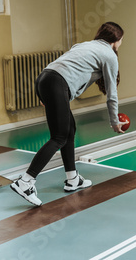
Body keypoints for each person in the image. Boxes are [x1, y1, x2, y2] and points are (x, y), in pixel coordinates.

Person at [10, 22, 128, 206]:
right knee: (58, 137)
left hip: (43, 79)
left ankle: (73, 179)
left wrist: (45, 94)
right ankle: (25, 182)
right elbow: (112, 94)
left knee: (69, 130)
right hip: (56, 83)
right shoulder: (110, 55)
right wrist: (114, 121)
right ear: (116, 40)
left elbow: (66, 72)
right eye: (121, 40)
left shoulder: (83, 45)